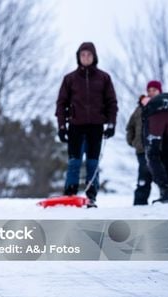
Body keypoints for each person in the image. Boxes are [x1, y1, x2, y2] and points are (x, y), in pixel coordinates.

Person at [55, 42, 118, 207]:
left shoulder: (104, 78)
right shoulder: (70, 79)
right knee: (74, 162)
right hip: (76, 126)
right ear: (78, 57)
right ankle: (70, 194)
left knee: (92, 163)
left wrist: (111, 124)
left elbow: (112, 103)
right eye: (83, 55)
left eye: (89, 55)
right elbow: (61, 104)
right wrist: (62, 126)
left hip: (96, 127)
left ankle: (91, 197)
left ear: (94, 57)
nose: (86, 58)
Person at [126, 91, 158, 205]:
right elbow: (130, 127)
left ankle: (167, 198)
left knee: (160, 173)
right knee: (143, 174)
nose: (151, 91)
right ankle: (140, 202)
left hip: (158, 148)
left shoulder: (162, 105)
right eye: (150, 89)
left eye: (155, 89)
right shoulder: (138, 109)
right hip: (141, 149)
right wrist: (132, 141)